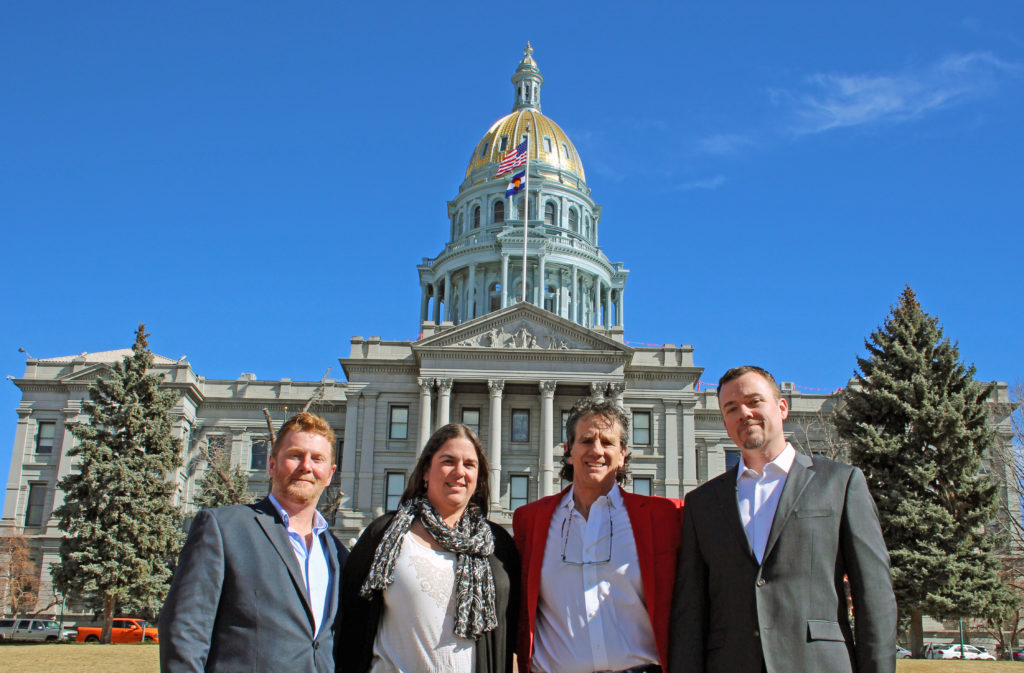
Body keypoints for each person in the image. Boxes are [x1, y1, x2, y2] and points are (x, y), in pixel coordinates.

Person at [670, 366, 897, 673]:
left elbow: (875, 596)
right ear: (725, 422)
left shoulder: (841, 484)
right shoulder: (702, 503)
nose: (745, 413)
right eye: (732, 408)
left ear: (782, 408)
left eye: (754, 401)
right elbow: (690, 611)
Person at [160, 412, 347, 673]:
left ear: (329, 474)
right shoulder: (223, 529)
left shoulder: (338, 554)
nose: (307, 466)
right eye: (295, 455)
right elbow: (185, 630)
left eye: (317, 459)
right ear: (272, 465)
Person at [513, 398, 684, 673]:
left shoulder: (664, 517)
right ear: (569, 451)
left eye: (607, 442)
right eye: (586, 440)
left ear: (623, 453)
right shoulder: (530, 521)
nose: (597, 450)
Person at [338, 423, 519, 673]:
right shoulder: (385, 535)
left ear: (478, 479)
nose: (459, 472)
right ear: (426, 471)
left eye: (469, 464)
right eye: (448, 461)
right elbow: (350, 621)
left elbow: (513, 632)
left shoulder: (497, 546)